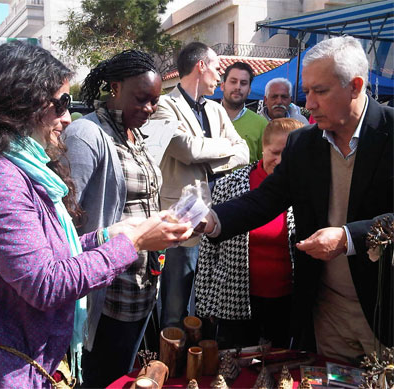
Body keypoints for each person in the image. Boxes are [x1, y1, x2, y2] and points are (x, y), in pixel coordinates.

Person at [0, 41, 192, 389]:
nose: (68, 118)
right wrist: (131, 242)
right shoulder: (4, 180)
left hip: (45, 351)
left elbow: (54, 246)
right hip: (17, 367)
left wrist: (108, 235)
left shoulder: (26, 170)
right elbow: (46, 283)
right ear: (23, 103)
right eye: (60, 104)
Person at [204, 36, 393, 362]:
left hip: (386, 309)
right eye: (306, 92)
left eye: (320, 91)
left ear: (356, 86)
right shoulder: (303, 144)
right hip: (326, 311)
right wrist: (211, 219)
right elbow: (265, 199)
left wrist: (349, 238)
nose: (309, 104)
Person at [63, 50, 166, 387]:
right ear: (114, 87)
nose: (149, 110)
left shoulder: (134, 136)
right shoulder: (86, 135)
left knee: (123, 375)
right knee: (100, 378)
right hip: (107, 294)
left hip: (143, 286)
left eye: (154, 102)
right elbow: (66, 219)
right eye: (141, 99)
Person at [151, 42, 249, 329]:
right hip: (179, 220)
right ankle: (169, 366)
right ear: (201, 66)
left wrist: (206, 156)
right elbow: (186, 150)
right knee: (174, 309)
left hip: (217, 218)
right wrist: (221, 148)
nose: (220, 76)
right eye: (217, 68)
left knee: (207, 306)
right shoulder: (163, 107)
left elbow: (243, 152)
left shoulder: (216, 110)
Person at [196, 118, 303, 349]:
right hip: (234, 300)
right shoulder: (229, 185)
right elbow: (207, 251)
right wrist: (205, 302)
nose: (281, 160)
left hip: (285, 301)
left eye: (289, 153)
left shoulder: (305, 188)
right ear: (262, 148)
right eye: (275, 152)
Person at [221, 62, 269, 163]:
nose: (238, 87)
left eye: (243, 83)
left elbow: (264, 165)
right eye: (233, 81)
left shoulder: (261, 124)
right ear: (222, 86)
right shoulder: (206, 116)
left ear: (249, 90)